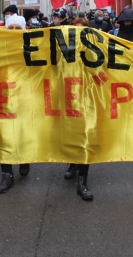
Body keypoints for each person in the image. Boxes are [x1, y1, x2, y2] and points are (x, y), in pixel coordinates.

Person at [0, 14, 30, 193]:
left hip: (25, 97)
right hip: (3, 96)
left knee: (23, 132)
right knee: (5, 134)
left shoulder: (32, 48)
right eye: (11, 28)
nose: (15, 32)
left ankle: (24, 158)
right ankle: (6, 174)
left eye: (18, 28)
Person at [60, 17, 93, 200]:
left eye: (83, 31)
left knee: (85, 137)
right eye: (76, 30)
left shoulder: (96, 49)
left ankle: (83, 180)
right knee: (69, 134)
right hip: (67, 98)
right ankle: (72, 164)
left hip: (87, 99)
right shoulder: (63, 49)